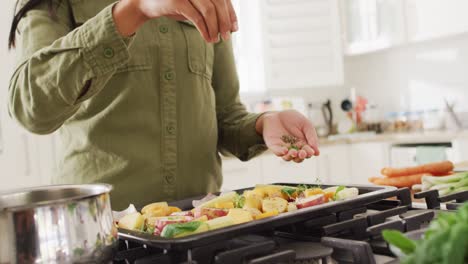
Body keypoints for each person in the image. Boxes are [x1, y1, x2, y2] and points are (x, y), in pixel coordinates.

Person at [8, 0, 320, 209]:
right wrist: (134, 10)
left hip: (200, 228)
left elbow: (225, 115)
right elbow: (29, 106)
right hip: (102, 232)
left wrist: (264, 124)